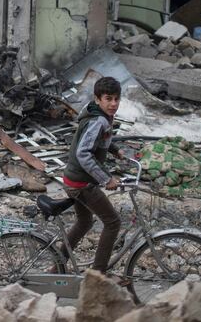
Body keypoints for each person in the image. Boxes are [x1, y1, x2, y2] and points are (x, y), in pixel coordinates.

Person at [61, 76, 125, 277]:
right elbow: (84, 153)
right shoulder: (98, 120)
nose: (113, 104)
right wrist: (107, 179)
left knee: (85, 222)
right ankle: (98, 274)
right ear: (97, 99)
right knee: (113, 222)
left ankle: (58, 263)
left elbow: (98, 140)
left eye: (116, 99)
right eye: (108, 99)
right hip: (81, 183)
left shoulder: (98, 114)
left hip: (73, 179)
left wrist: (114, 150)